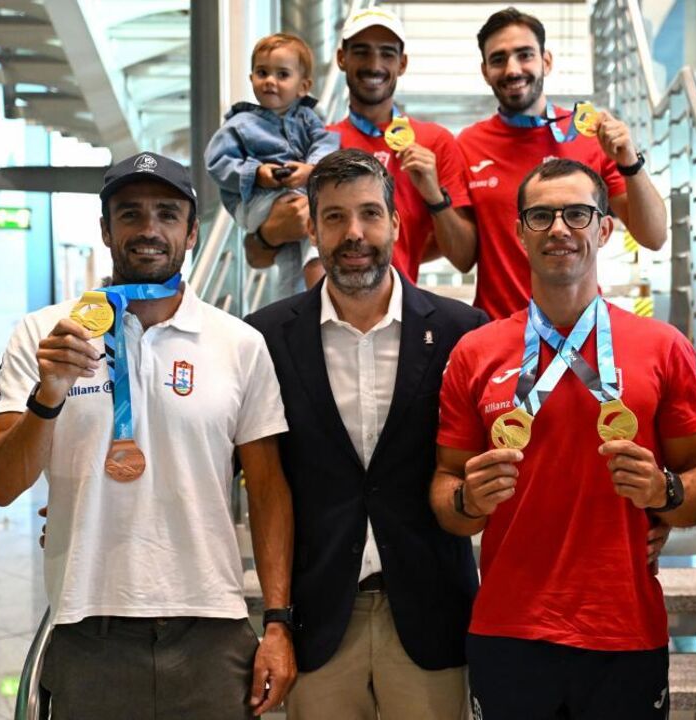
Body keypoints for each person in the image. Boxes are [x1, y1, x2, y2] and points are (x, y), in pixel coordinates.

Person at [0, 152, 297, 718]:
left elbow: (269, 491)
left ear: (193, 231)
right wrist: (48, 392)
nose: (149, 229)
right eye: (129, 214)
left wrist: (276, 623)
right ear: (105, 229)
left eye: (167, 214)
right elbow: (2, 486)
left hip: (212, 627)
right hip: (87, 626)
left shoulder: (239, 343)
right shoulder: (43, 334)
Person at [431, 159, 696, 719]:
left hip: (624, 630)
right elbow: (447, 493)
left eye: (577, 214)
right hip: (508, 629)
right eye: (540, 216)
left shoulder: (663, 346)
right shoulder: (476, 350)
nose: (559, 228)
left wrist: (665, 493)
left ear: (605, 229)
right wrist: (468, 499)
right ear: (519, 233)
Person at [246, 149, 487, 720]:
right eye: (333, 217)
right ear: (311, 228)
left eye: (370, 214)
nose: (354, 233)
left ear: (397, 224)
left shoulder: (462, 332)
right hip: (321, 619)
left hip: (432, 617)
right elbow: (251, 477)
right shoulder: (266, 338)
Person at [457, 7, 668, 319]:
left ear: (546, 61)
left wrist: (630, 162)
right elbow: (461, 254)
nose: (513, 69)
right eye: (498, 59)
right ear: (485, 71)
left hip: (581, 331)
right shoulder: (468, 144)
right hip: (498, 332)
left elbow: (654, 237)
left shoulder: (590, 135)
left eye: (525, 55)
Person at [308, 7, 476, 287]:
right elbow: (261, 251)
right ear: (341, 58)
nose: (374, 65)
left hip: (402, 315)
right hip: (326, 315)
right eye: (361, 51)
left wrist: (433, 196)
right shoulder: (319, 143)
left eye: (387, 53)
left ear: (403, 63)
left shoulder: (434, 141)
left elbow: (463, 258)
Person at [206, 32, 340, 300]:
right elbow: (217, 162)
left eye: (282, 75)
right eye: (262, 72)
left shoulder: (309, 118)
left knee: (291, 259)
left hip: (296, 193)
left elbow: (326, 143)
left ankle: (296, 307)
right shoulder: (240, 123)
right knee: (319, 219)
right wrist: (256, 174)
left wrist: (310, 169)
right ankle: (323, 288)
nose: (270, 81)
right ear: (251, 78)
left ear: (303, 86)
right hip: (257, 200)